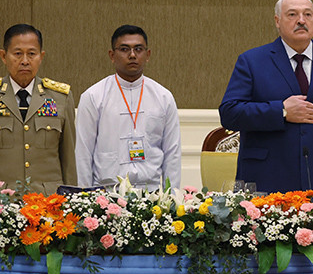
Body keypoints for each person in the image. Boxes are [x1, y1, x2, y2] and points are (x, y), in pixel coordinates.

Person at [219, 0, 313, 193]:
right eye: (292, 14)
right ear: (277, 21)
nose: (301, 20)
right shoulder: (252, 61)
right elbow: (229, 113)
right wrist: (281, 111)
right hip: (265, 180)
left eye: (308, 14)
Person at [75, 25, 181, 190]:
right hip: (106, 193)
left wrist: (172, 197)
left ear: (147, 55)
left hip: (151, 193)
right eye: (124, 49)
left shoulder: (163, 97)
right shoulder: (94, 96)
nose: (132, 55)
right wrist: (85, 196)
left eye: (138, 49)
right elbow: (83, 153)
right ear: (112, 55)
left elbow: (172, 153)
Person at [0, 24, 76, 194]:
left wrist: (71, 200)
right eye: (17, 54)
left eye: (31, 54)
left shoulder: (60, 98)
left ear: (41, 57)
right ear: (4, 56)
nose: (25, 61)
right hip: (4, 200)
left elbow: (69, 160)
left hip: (48, 201)